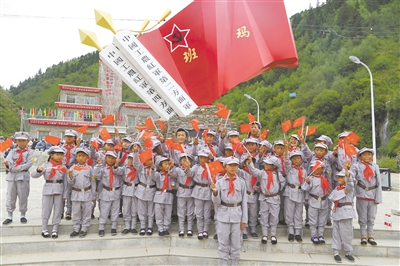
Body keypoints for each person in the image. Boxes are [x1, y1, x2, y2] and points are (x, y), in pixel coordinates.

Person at [211, 156, 248, 266]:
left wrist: (244, 220)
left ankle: (234, 262)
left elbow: (244, 202)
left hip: (237, 214)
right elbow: (216, 202)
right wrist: (215, 193)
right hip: (223, 214)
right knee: (223, 241)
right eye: (230, 165)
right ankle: (224, 262)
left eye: (235, 165)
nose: (232, 167)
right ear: (225, 166)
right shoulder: (219, 182)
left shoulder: (241, 182)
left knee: (236, 241)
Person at [247, 156, 286, 245]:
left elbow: (282, 183)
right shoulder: (262, 173)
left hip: (274, 198)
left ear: (274, 166)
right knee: (264, 216)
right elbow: (253, 171)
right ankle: (264, 234)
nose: (265, 165)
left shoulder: (278, 175)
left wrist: (276, 191)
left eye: (268, 164)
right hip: (264, 198)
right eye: (265, 163)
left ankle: (273, 234)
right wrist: (250, 162)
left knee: (274, 216)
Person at [31, 146, 68, 239]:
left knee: (58, 210)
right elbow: (33, 175)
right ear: (51, 155)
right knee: (46, 210)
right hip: (48, 189)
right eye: (57, 155)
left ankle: (55, 229)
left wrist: (65, 194)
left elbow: (66, 182)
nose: (60, 157)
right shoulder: (45, 165)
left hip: (59, 189)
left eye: (61, 155)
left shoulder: (63, 167)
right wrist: (38, 170)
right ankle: (44, 228)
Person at [351, 147, 382, 246]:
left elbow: (378, 183)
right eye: (364, 154)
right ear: (360, 156)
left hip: (372, 194)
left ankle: (370, 235)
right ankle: (363, 235)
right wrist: (347, 169)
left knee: (371, 216)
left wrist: (378, 197)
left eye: (369, 154)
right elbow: (352, 178)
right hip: (361, 194)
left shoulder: (375, 166)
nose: (367, 156)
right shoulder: (356, 166)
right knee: (362, 217)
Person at [3, 132, 34, 225]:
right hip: (12, 177)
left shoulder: (30, 152)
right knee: (10, 196)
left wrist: (14, 168)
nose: (21, 143)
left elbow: (28, 164)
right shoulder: (12, 151)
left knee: (23, 196)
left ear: (28, 141)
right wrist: (7, 164)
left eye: (23, 141)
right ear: (16, 141)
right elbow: (9, 161)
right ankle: (9, 215)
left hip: (23, 176)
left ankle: (23, 214)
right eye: (19, 140)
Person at [328, 162, 356, 263]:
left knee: (347, 233)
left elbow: (350, 183)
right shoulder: (337, 189)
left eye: (341, 177)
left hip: (346, 213)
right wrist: (341, 193)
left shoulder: (349, 188)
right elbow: (331, 197)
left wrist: (347, 170)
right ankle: (336, 252)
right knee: (336, 234)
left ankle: (348, 252)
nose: (338, 179)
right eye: (338, 177)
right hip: (336, 213)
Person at [67, 148, 96, 238]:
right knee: (76, 212)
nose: (81, 158)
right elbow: (70, 183)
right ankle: (76, 228)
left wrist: (93, 196)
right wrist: (71, 176)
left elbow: (93, 182)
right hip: (76, 193)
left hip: (87, 193)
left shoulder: (90, 169)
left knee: (87, 212)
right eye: (79, 156)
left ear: (87, 157)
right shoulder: (72, 168)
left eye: (83, 156)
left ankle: (84, 228)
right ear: (76, 157)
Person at [94, 151, 124, 237]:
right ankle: (101, 227)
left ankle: (114, 226)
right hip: (106, 192)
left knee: (115, 210)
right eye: (109, 157)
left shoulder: (119, 168)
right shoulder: (102, 168)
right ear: (105, 158)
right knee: (104, 210)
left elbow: (118, 172)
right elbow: (96, 175)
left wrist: (116, 165)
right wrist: (98, 165)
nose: (111, 160)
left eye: (113, 158)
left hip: (116, 192)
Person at [302, 161, 331, 244]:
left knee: (322, 220)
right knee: (313, 220)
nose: (317, 169)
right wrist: (307, 182)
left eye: (320, 168)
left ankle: (321, 235)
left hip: (324, 202)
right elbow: (304, 188)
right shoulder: (310, 178)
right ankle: (314, 235)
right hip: (314, 201)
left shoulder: (325, 179)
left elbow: (328, 190)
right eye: (314, 168)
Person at [189, 149, 213, 240]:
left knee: (207, 213)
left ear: (208, 158)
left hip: (208, 190)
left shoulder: (211, 167)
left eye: (204, 158)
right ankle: (200, 230)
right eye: (201, 158)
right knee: (199, 213)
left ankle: (205, 230)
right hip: (198, 190)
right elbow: (190, 174)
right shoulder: (196, 167)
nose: (202, 159)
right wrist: (187, 168)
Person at [169, 154, 195, 237]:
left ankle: (190, 229)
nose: (186, 161)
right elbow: (172, 174)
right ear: (180, 161)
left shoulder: (193, 169)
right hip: (181, 192)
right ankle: (181, 229)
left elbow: (190, 174)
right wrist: (172, 165)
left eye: (188, 160)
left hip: (190, 192)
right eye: (183, 160)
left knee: (190, 212)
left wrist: (188, 168)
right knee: (181, 212)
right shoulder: (178, 170)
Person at [133, 146, 156, 236]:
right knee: (142, 210)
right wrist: (135, 153)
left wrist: (153, 169)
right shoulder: (141, 168)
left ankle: (150, 227)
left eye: (151, 160)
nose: (150, 162)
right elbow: (135, 163)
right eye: (148, 160)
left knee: (151, 210)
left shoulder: (155, 169)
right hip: (141, 190)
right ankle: (143, 227)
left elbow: (155, 178)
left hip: (151, 190)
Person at [283, 150, 306, 242]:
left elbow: (305, 184)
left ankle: (298, 232)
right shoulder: (289, 168)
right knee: (289, 212)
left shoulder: (304, 170)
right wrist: (286, 148)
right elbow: (286, 161)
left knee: (298, 213)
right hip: (290, 191)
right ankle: (291, 231)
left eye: (298, 158)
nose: (296, 160)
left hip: (300, 192)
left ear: (301, 159)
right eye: (294, 158)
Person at [152, 156, 176, 236]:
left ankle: (166, 227)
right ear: (160, 167)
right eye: (165, 164)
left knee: (168, 214)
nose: (167, 166)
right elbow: (153, 176)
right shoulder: (158, 175)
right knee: (159, 213)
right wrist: (152, 169)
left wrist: (175, 186)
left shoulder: (171, 175)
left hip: (169, 196)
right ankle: (160, 228)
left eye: (168, 164)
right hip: (159, 196)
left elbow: (176, 183)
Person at [61, 129, 80, 220]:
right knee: (61, 190)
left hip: (72, 170)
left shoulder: (77, 148)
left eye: (71, 136)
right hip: (62, 170)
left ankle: (68, 211)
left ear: (74, 138)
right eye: (67, 136)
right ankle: (60, 211)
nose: (68, 138)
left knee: (70, 191)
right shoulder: (60, 148)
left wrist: (78, 147)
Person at [121, 153, 139, 235]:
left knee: (134, 209)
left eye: (132, 159)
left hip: (135, 189)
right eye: (129, 159)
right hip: (126, 190)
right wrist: (116, 165)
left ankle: (133, 226)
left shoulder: (138, 169)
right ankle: (127, 226)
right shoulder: (124, 168)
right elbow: (117, 170)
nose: (131, 161)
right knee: (126, 209)